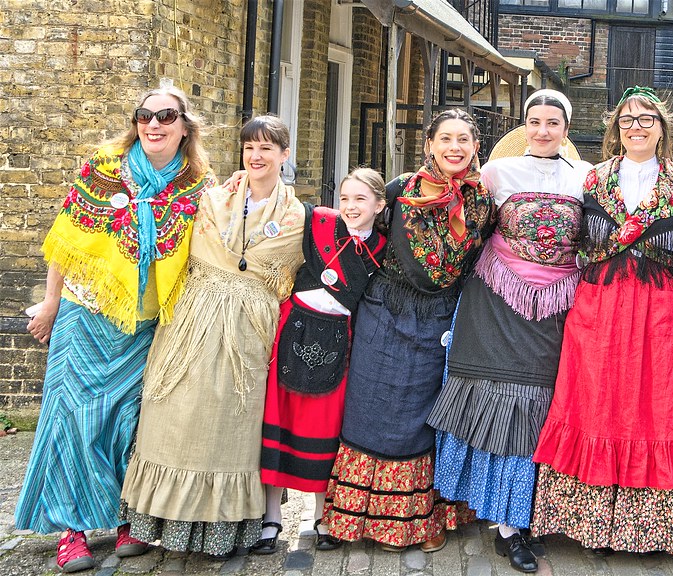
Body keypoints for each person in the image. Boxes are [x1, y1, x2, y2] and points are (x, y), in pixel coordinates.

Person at [15, 85, 214, 573]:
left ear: (185, 126)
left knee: (131, 423)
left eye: (166, 115)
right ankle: (72, 531)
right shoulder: (103, 169)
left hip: (147, 324)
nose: (153, 124)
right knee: (73, 422)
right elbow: (65, 240)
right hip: (86, 312)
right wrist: (50, 302)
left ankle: (127, 519)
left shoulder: (199, 186)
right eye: (144, 115)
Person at [530, 86, 673, 557]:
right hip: (600, 303)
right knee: (593, 399)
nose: (636, 126)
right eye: (627, 119)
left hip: (657, 306)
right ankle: (587, 523)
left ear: (663, 129)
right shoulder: (594, 179)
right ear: (615, 130)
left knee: (655, 403)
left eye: (647, 118)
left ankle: (649, 527)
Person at [120, 115, 306, 558]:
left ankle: (225, 529)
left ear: (283, 155)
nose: (256, 156)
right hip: (192, 319)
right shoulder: (213, 199)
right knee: (177, 412)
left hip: (247, 328)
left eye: (266, 148)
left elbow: (285, 271)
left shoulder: (297, 215)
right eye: (249, 148)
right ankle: (159, 520)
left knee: (231, 422)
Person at [427, 90, 592, 573]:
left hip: (558, 307)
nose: (543, 130)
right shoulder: (497, 174)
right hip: (496, 305)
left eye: (553, 122)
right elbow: (448, 198)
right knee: (502, 405)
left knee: (539, 408)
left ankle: (533, 512)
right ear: (524, 126)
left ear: (566, 128)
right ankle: (507, 525)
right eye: (535, 121)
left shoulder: (586, 178)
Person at [320, 108, 496, 552]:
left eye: (464, 140)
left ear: (476, 147)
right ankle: (358, 518)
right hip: (386, 310)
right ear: (430, 145)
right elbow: (358, 223)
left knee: (424, 416)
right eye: (446, 139)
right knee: (373, 407)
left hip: (442, 316)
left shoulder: (481, 201)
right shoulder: (401, 190)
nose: (455, 147)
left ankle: (418, 521)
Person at [254, 168, 387, 554]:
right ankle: (271, 519)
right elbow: (273, 204)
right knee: (280, 420)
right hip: (293, 330)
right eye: (345, 198)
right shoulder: (318, 221)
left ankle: (320, 517)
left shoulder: (382, 248)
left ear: (379, 204)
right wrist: (240, 182)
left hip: (337, 341)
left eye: (361, 199)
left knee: (326, 428)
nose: (350, 206)